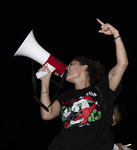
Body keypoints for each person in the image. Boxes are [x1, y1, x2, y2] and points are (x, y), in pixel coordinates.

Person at [38, 18, 128, 150]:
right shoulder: (65, 96)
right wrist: (45, 82)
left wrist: (116, 34)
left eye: (71, 64)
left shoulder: (102, 89)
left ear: (84, 67)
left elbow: (122, 64)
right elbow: (47, 114)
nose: (67, 67)